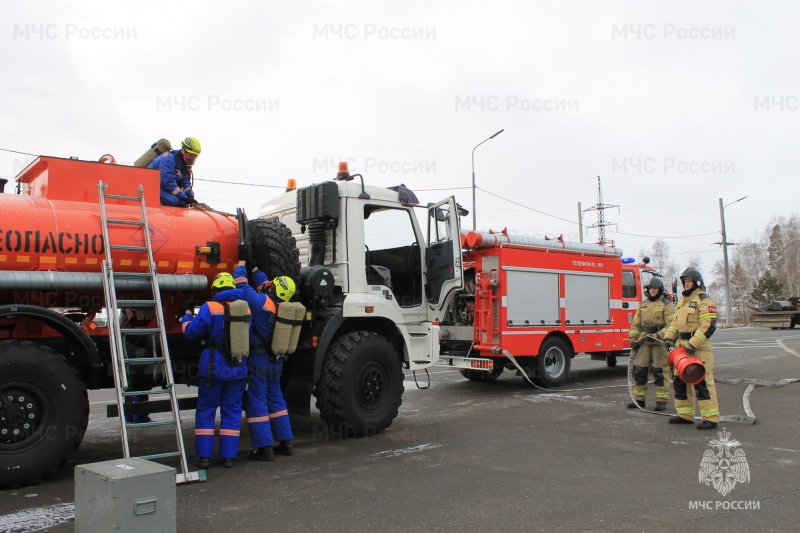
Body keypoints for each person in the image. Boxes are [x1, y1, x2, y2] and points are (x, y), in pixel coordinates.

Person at [180, 272, 250, 468]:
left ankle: (204, 458)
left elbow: (192, 332)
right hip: (238, 368)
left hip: (213, 368)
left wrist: (185, 316)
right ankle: (229, 457)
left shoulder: (209, 307)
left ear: (216, 290)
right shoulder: (246, 309)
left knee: (206, 411)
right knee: (232, 412)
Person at [233, 259, 296, 461]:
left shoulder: (261, 303)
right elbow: (265, 285)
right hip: (276, 361)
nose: (269, 283)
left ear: (275, 288)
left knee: (257, 403)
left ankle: (264, 449)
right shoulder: (283, 308)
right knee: (276, 400)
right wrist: (256, 269)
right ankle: (286, 443)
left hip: (258, 362)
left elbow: (241, 285)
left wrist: (241, 266)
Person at [663, 268, 720, 430]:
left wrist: (692, 344)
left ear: (697, 283)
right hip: (682, 349)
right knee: (680, 381)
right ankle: (685, 414)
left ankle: (710, 418)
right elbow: (675, 323)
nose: (686, 285)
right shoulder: (682, 301)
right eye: (685, 282)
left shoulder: (705, 300)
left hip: (698, 350)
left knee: (702, 382)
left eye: (689, 282)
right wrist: (669, 337)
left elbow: (708, 326)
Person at [627, 277, 676, 411]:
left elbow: (672, 324)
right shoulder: (643, 305)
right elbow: (636, 324)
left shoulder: (666, 305)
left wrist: (658, 335)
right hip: (644, 342)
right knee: (640, 371)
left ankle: (661, 401)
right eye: (651, 288)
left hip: (659, 343)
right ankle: (639, 400)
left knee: (660, 372)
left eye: (655, 288)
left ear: (660, 290)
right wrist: (632, 338)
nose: (653, 291)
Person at [148, 136, 201, 207]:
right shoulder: (168, 159)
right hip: (151, 186)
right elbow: (167, 182)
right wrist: (184, 197)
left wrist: (190, 196)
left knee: (183, 204)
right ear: (183, 150)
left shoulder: (184, 165)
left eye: (193, 158)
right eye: (189, 156)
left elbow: (186, 183)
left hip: (163, 187)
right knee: (173, 201)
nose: (191, 160)